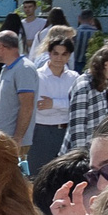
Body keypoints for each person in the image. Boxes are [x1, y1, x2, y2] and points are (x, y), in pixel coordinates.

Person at [30, 32, 80, 174]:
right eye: (56, 53)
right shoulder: (38, 76)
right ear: (49, 54)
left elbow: (76, 105)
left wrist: (53, 103)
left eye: (64, 54)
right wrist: (65, 104)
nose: (59, 58)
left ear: (69, 55)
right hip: (42, 131)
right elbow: (41, 106)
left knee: (64, 174)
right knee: (38, 174)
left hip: (66, 130)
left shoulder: (74, 77)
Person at [0, 32, 38, 155]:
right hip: (0, 138)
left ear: (1, 47)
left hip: (13, 141)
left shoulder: (24, 69)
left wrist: (17, 138)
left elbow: (27, 106)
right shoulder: (6, 68)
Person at [65, 45, 108, 151]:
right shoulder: (84, 85)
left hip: (93, 149)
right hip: (79, 154)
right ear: (106, 64)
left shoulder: (99, 84)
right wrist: (79, 156)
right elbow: (77, 125)